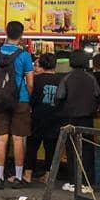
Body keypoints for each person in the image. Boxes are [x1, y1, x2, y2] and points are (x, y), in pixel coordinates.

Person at [0, 21, 35, 189]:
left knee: (1, 138)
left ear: (6, 33)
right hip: (20, 100)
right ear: (21, 35)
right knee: (18, 138)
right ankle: (18, 177)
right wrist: (26, 96)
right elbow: (30, 83)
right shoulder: (24, 55)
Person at [56, 49, 100, 185]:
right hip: (87, 118)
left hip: (70, 119)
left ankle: (73, 182)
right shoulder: (91, 78)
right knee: (87, 150)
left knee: (72, 150)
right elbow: (97, 95)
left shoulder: (67, 78)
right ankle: (88, 183)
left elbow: (59, 96)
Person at [26, 53, 62, 185]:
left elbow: (31, 98)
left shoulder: (35, 80)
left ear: (41, 65)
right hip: (55, 118)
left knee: (32, 146)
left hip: (37, 116)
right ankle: (48, 176)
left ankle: (28, 174)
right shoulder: (61, 80)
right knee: (51, 148)